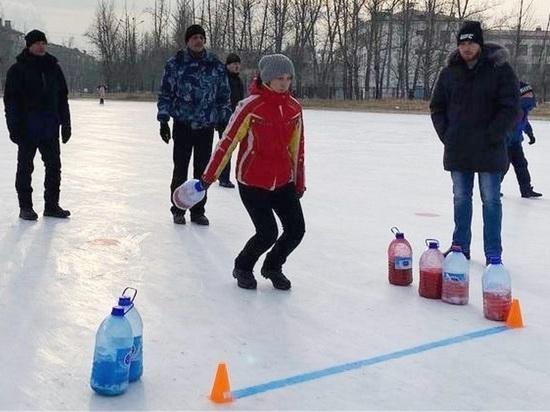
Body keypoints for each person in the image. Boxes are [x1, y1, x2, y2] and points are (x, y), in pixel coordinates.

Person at [201, 54, 306, 290]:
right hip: (252, 181)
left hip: (282, 180)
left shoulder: (293, 109)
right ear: (267, 78)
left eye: (288, 78)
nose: (284, 83)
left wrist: (299, 182)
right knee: (267, 232)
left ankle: (272, 266)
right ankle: (243, 266)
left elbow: (297, 148)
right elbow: (227, 141)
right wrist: (208, 177)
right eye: (279, 78)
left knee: (296, 229)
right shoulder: (249, 106)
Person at [430, 21, 519, 264]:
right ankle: (460, 246)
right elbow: (437, 107)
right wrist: (447, 135)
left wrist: (494, 134)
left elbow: (511, 106)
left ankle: (493, 252)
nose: (466, 47)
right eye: (462, 43)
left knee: (491, 200)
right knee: (461, 198)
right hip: (459, 148)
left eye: (471, 42)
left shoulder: (499, 69)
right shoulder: (449, 73)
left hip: (489, 148)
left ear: (479, 43)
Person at [157, 24, 232, 226]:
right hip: (182, 124)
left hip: (205, 127)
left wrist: (223, 119)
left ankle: (198, 211)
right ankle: (178, 209)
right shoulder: (175, 64)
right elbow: (165, 94)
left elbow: (224, 96)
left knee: (202, 172)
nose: (198, 40)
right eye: (194, 38)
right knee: (180, 169)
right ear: (187, 41)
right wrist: (163, 120)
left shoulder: (215, 65)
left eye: (201, 37)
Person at [3, 29, 72, 221]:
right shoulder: (17, 70)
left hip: (50, 127)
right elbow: (11, 102)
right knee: (25, 168)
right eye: (37, 43)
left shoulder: (54, 68)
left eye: (44, 43)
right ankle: (25, 207)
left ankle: (51, 205)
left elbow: (62, 99)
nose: (42, 46)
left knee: (54, 167)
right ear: (29, 45)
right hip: (27, 128)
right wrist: (14, 127)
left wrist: (66, 124)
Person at [502, 81, 542, 198]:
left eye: (531, 94)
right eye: (527, 94)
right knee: (503, 167)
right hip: (506, 144)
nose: (530, 96)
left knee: (522, 165)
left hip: (516, 143)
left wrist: (530, 134)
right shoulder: (513, 110)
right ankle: (495, 188)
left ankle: (526, 189)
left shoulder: (523, 111)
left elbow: (525, 124)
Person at [217, 53, 245, 188]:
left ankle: (226, 175)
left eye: (238, 63)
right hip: (224, 119)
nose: (237, 66)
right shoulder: (223, 79)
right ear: (228, 65)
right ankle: (223, 177)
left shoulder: (238, 81)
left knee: (231, 148)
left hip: (236, 119)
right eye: (234, 63)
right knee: (225, 147)